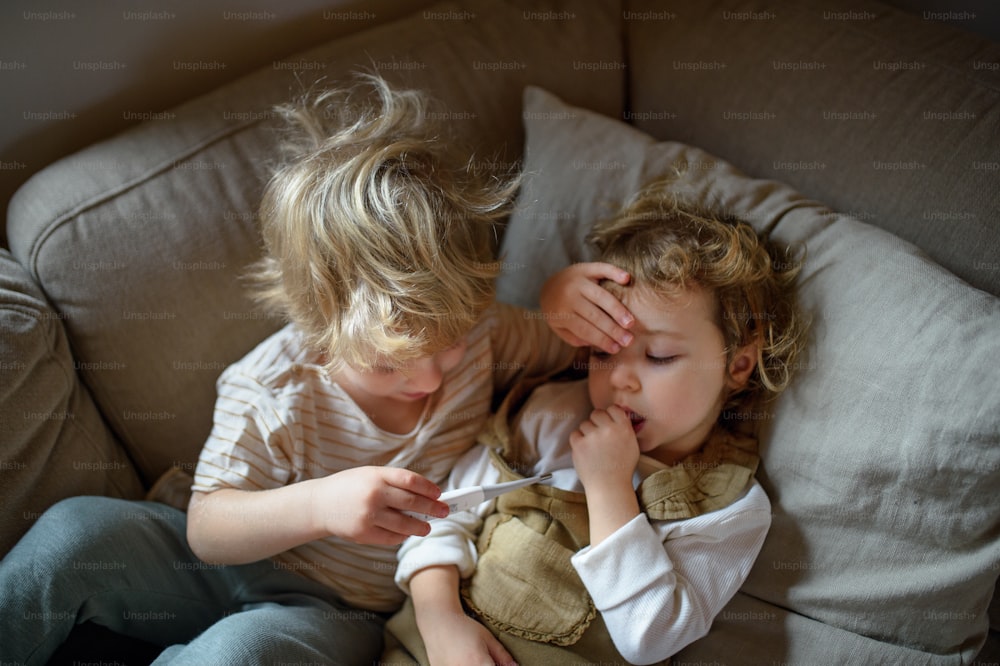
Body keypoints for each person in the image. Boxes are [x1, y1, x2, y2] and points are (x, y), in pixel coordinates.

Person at [0, 75, 629, 666]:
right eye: (389, 365)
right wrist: (323, 505)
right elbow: (209, 530)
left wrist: (558, 299)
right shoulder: (272, 385)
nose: (431, 379)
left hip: (338, 610)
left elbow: (581, 354)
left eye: (451, 344)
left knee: (239, 654)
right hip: (219, 564)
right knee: (72, 534)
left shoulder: (488, 330)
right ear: (319, 335)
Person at [381, 178, 809, 666]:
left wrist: (608, 487)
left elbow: (649, 637)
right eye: (604, 352)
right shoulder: (553, 413)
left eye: (659, 356)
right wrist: (442, 624)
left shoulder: (727, 506)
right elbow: (441, 516)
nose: (620, 379)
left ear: (737, 365)